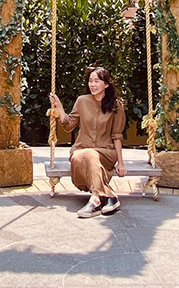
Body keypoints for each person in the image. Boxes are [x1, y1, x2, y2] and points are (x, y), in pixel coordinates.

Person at [49, 66, 127, 218]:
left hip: (106, 151)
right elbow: (68, 125)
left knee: (90, 154)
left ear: (106, 84)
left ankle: (95, 200)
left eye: (97, 81)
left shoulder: (116, 105)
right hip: (81, 149)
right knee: (80, 157)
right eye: (90, 81)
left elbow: (117, 136)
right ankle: (109, 196)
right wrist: (59, 106)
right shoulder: (82, 101)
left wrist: (121, 163)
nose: (92, 84)